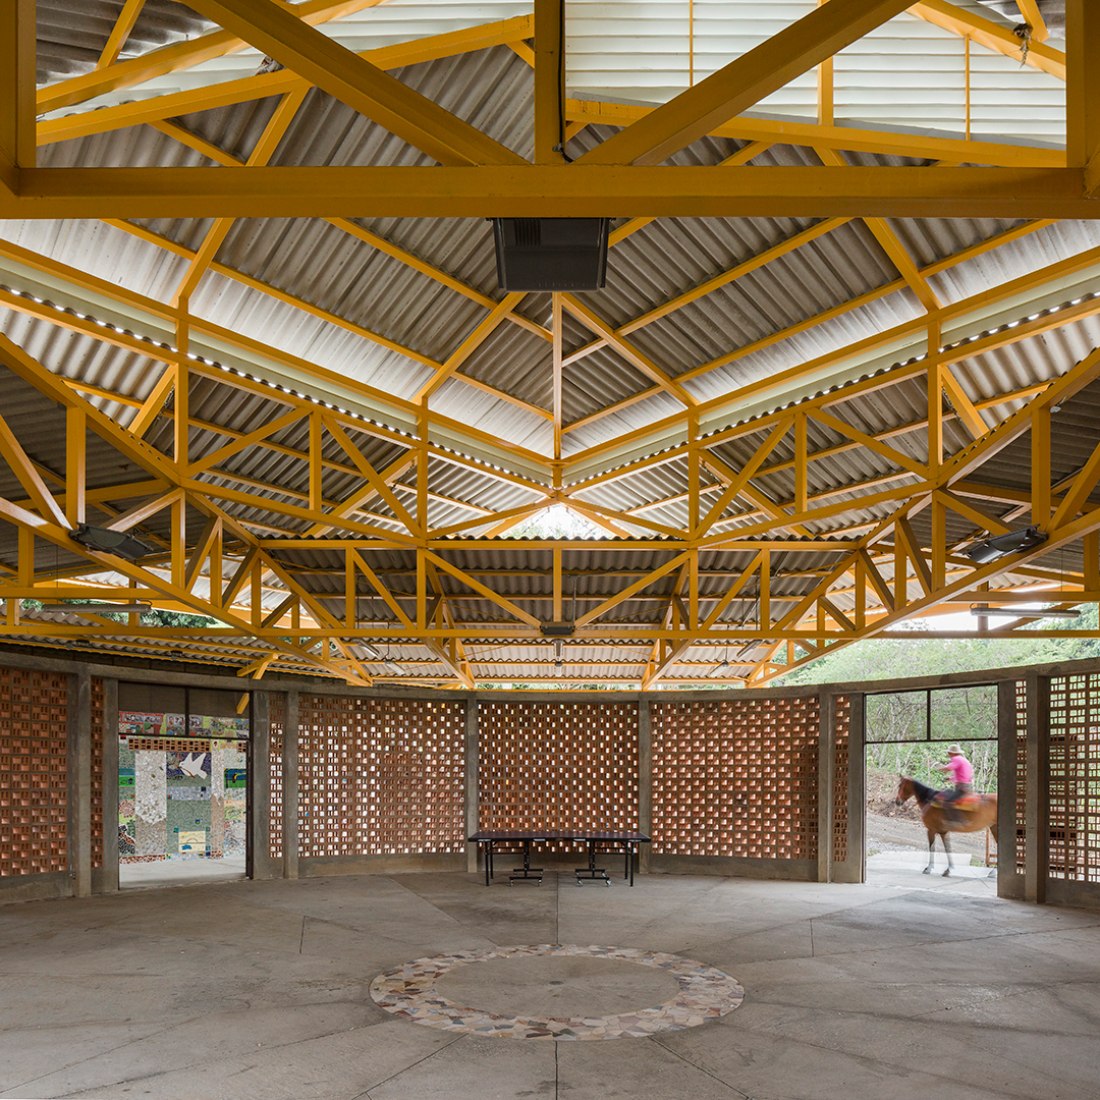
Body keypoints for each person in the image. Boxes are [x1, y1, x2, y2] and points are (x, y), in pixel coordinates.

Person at [933, 743, 974, 813]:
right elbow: (961, 774)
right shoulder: (964, 760)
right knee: (948, 793)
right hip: (967, 786)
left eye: (949, 752)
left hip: (962, 787)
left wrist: (938, 767)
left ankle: (958, 821)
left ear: (951, 753)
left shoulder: (956, 759)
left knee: (947, 802)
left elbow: (948, 768)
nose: (948, 754)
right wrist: (949, 778)